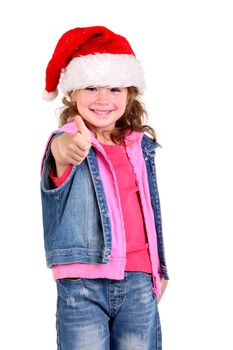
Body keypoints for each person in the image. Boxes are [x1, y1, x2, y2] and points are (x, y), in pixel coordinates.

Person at [41, 25, 169, 350]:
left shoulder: (139, 146)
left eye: (115, 89)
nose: (103, 99)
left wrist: (158, 268)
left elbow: (148, 211)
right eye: (91, 87)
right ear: (72, 92)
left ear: (129, 93)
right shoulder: (67, 140)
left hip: (139, 278)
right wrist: (67, 148)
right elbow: (58, 154)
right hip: (82, 283)